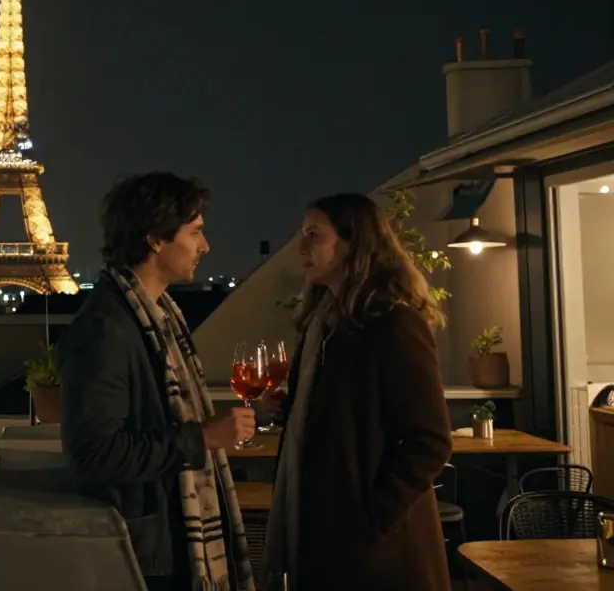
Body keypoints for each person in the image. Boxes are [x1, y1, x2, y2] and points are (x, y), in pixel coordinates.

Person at [58, 172, 257, 591]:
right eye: (196, 232)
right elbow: (94, 454)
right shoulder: (106, 329)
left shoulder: (155, 316)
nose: (206, 246)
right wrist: (200, 437)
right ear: (155, 239)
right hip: (148, 555)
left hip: (160, 542)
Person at [263, 193, 453, 590]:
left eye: (313, 235)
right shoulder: (324, 324)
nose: (301, 247)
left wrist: (372, 518)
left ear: (353, 244)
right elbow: (347, 410)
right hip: (325, 530)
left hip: (375, 552)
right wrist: (296, 408)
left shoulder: (393, 323)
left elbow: (430, 440)